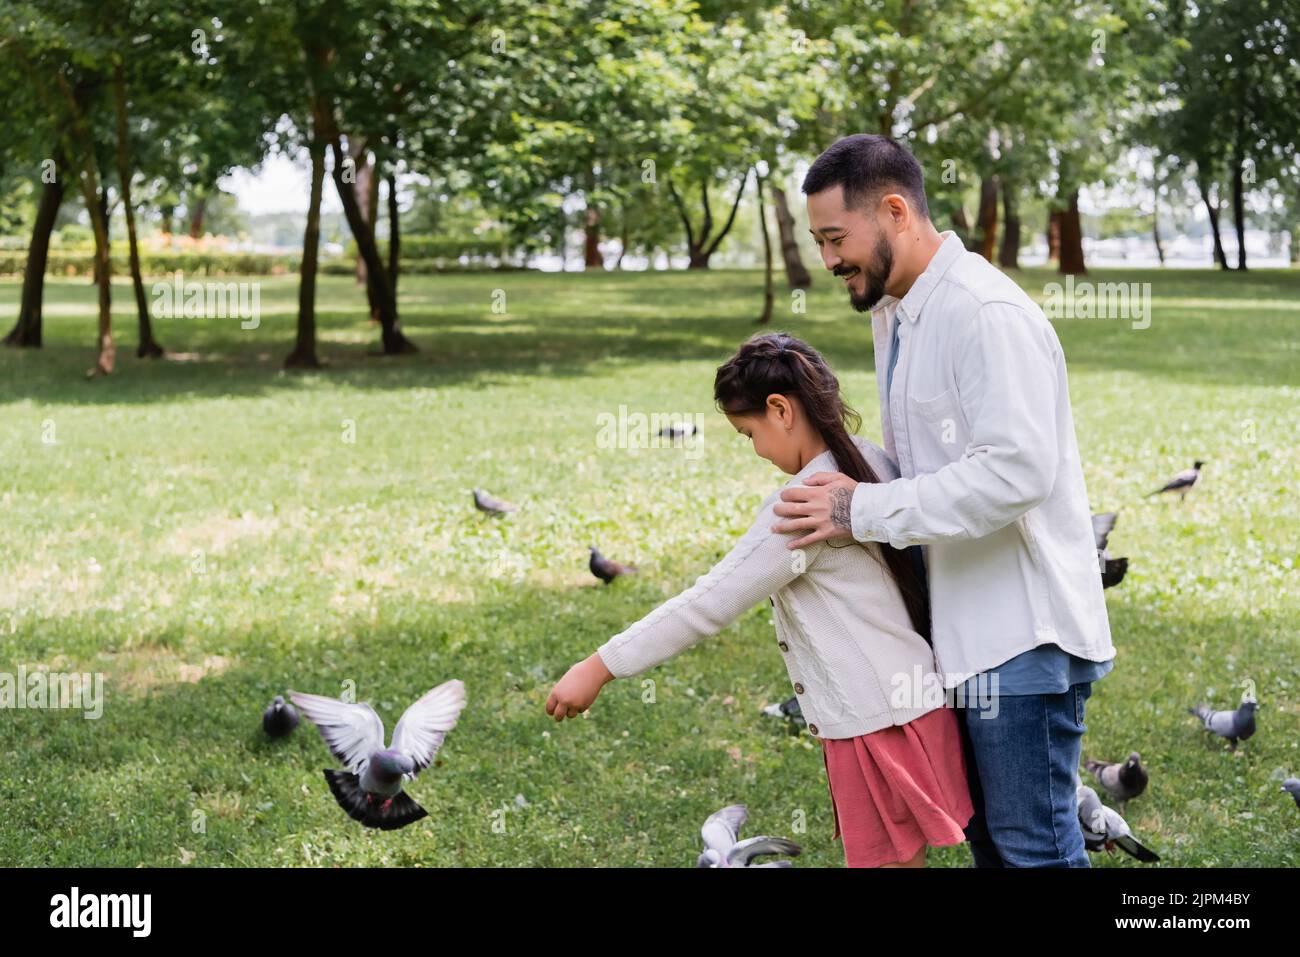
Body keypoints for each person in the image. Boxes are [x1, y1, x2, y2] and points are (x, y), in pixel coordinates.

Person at [774, 133, 1116, 867]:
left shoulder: (983, 312)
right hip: (962, 634)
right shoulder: (897, 313)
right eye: (820, 241)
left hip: (1021, 636)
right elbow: (926, 464)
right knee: (994, 842)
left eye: (837, 238)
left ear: (895, 210)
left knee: (1034, 848)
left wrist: (857, 510)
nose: (829, 259)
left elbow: (1014, 473)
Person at [546, 332, 974, 868]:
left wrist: (599, 666)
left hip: (874, 723)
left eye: (749, 433)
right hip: (911, 707)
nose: (755, 449)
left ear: (780, 409)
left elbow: (710, 603)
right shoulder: (870, 460)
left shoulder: (801, 506)